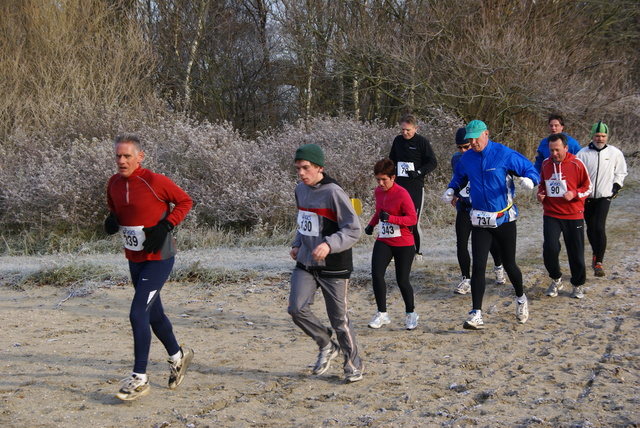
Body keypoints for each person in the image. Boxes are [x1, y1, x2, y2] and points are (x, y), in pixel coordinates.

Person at [105, 134, 194, 401]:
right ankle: (179, 357)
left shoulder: (156, 181)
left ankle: (139, 378)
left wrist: (167, 224)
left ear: (140, 157)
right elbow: (116, 210)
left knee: (136, 313)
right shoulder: (113, 184)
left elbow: (185, 201)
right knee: (153, 314)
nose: (121, 161)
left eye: (127, 156)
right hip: (134, 259)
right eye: (118, 156)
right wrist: (111, 221)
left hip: (159, 258)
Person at [443, 120, 540, 330]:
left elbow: (530, 169)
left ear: (486, 133)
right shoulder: (467, 157)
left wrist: (531, 181)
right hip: (479, 218)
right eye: (470, 139)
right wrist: (452, 189)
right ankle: (476, 313)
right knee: (478, 265)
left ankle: (521, 298)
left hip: (503, 217)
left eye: (477, 138)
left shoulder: (503, 153)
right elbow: (460, 176)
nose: (473, 142)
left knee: (509, 264)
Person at [288, 143, 364, 383]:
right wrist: (298, 243)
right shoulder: (300, 189)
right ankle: (325, 343)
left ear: (319, 167)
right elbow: (304, 221)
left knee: (339, 320)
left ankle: (353, 365)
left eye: (306, 168)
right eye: (298, 168)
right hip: (306, 263)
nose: (301, 173)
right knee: (296, 309)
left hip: (335, 266)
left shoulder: (333, 192)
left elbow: (353, 230)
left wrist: (329, 244)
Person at [449, 128, 506, 295]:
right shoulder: (456, 159)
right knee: (461, 243)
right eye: (460, 147)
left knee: (491, 242)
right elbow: (458, 179)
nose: (463, 151)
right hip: (464, 208)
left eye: (466, 147)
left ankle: (498, 266)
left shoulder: (484, 156)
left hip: (482, 209)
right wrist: (454, 192)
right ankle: (466, 278)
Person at [364, 158, 419, 330]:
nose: (380, 183)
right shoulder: (378, 192)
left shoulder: (402, 193)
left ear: (393, 177)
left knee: (402, 280)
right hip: (384, 240)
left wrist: (392, 219)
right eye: (378, 179)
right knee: (377, 274)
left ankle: (411, 314)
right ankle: (382, 314)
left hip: (403, 242)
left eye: (384, 180)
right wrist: (371, 224)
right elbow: (379, 212)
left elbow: (412, 219)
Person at [537, 133, 592, 299]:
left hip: (573, 214)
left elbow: (588, 187)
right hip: (551, 213)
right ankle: (556, 279)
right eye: (551, 150)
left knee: (575, 251)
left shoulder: (577, 163)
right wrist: (540, 194)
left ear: (566, 148)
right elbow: (542, 185)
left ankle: (577, 284)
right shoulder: (546, 164)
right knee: (550, 249)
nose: (554, 154)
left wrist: (574, 193)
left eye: (557, 150)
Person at [576, 122, 628, 277]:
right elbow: (576, 174)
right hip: (587, 198)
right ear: (592, 136)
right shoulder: (582, 154)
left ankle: (599, 262)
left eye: (603, 136)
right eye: (597, 136)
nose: (600, 138)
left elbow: (621, 171)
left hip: (604, 197)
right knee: (591, 229)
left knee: (599, 228)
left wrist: (616, 186)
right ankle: (595, 253)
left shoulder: (615, 153)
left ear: (607, 137)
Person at [389, 113, 438, 256]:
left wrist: (418, 172)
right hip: (398, 186)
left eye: (408, 130)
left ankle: (418, 253)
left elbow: (432, 162)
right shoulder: (398, 141)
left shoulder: (422, 142)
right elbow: (392, 160)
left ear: (415, 128)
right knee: (396, 219)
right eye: (402, 129)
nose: (405, 133)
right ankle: (396, 250)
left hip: (415, 187)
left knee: (413, 221)